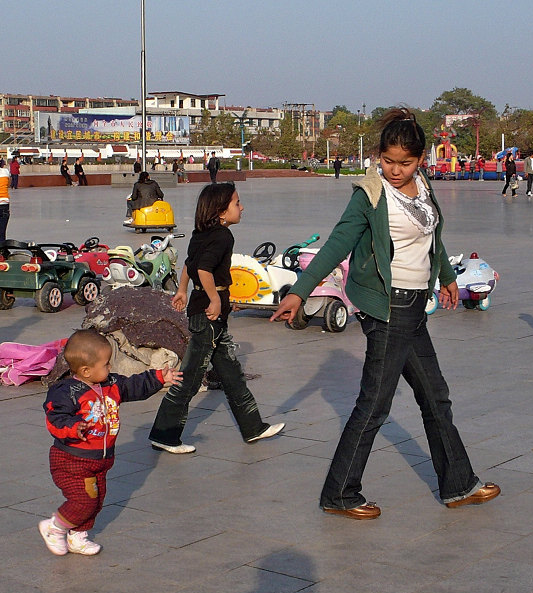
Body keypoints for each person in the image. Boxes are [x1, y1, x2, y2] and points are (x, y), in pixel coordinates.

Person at [270, 108, 500, 520]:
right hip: (388, 307)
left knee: (435, 396)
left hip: (414, 307)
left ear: (421, 159)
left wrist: (447, 276)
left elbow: (433, 241)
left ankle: (458, 484)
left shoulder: (424, 187)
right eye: (388, 161)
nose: (395, 170)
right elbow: (337, 245)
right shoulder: (370, 195)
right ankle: (340, 493)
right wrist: (301, 292)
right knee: (374, 405)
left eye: (405, 163)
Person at [148, 182, 285, 453]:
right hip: (208, 313)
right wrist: (213, 299)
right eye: (236, 203)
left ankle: (253, 427)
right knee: (189, 376)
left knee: (231, 373)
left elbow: (189, 265)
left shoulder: (202, 233)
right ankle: (164, 434)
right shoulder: (223, 236)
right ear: (221, 212)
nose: (241, 207)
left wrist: (183, 290)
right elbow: (203, 269)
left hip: (206, 309)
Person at [39, 329, 182, 556]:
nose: (110, 368)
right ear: (86, 370)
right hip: (72, 459)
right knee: (83, 501)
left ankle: (78, 536)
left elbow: (133, 386)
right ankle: (54, 527)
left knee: (96, 501)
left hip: (100, 460)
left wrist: (159, 378)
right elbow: (55, 418)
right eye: (106, 364)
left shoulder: (110, 384)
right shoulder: (67, 392)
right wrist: (74, 428)